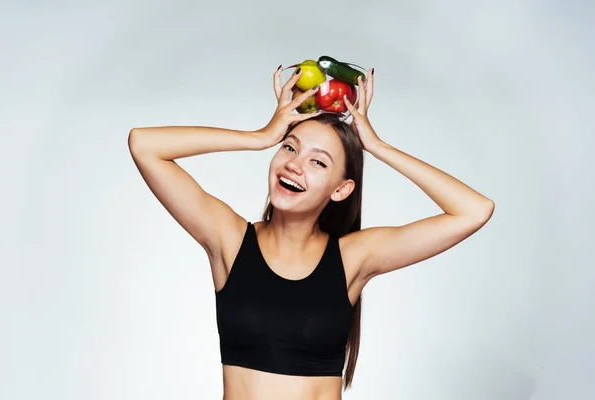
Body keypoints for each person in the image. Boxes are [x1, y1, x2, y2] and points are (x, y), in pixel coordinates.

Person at [127, 65, 495, 400]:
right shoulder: (231, 241)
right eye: (290, 148)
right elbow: (144, 145)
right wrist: (259, 136)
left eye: (318, 162)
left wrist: (377, 147)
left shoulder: (353, 258)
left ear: (341, 189)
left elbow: (474, 210)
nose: (294, 165)